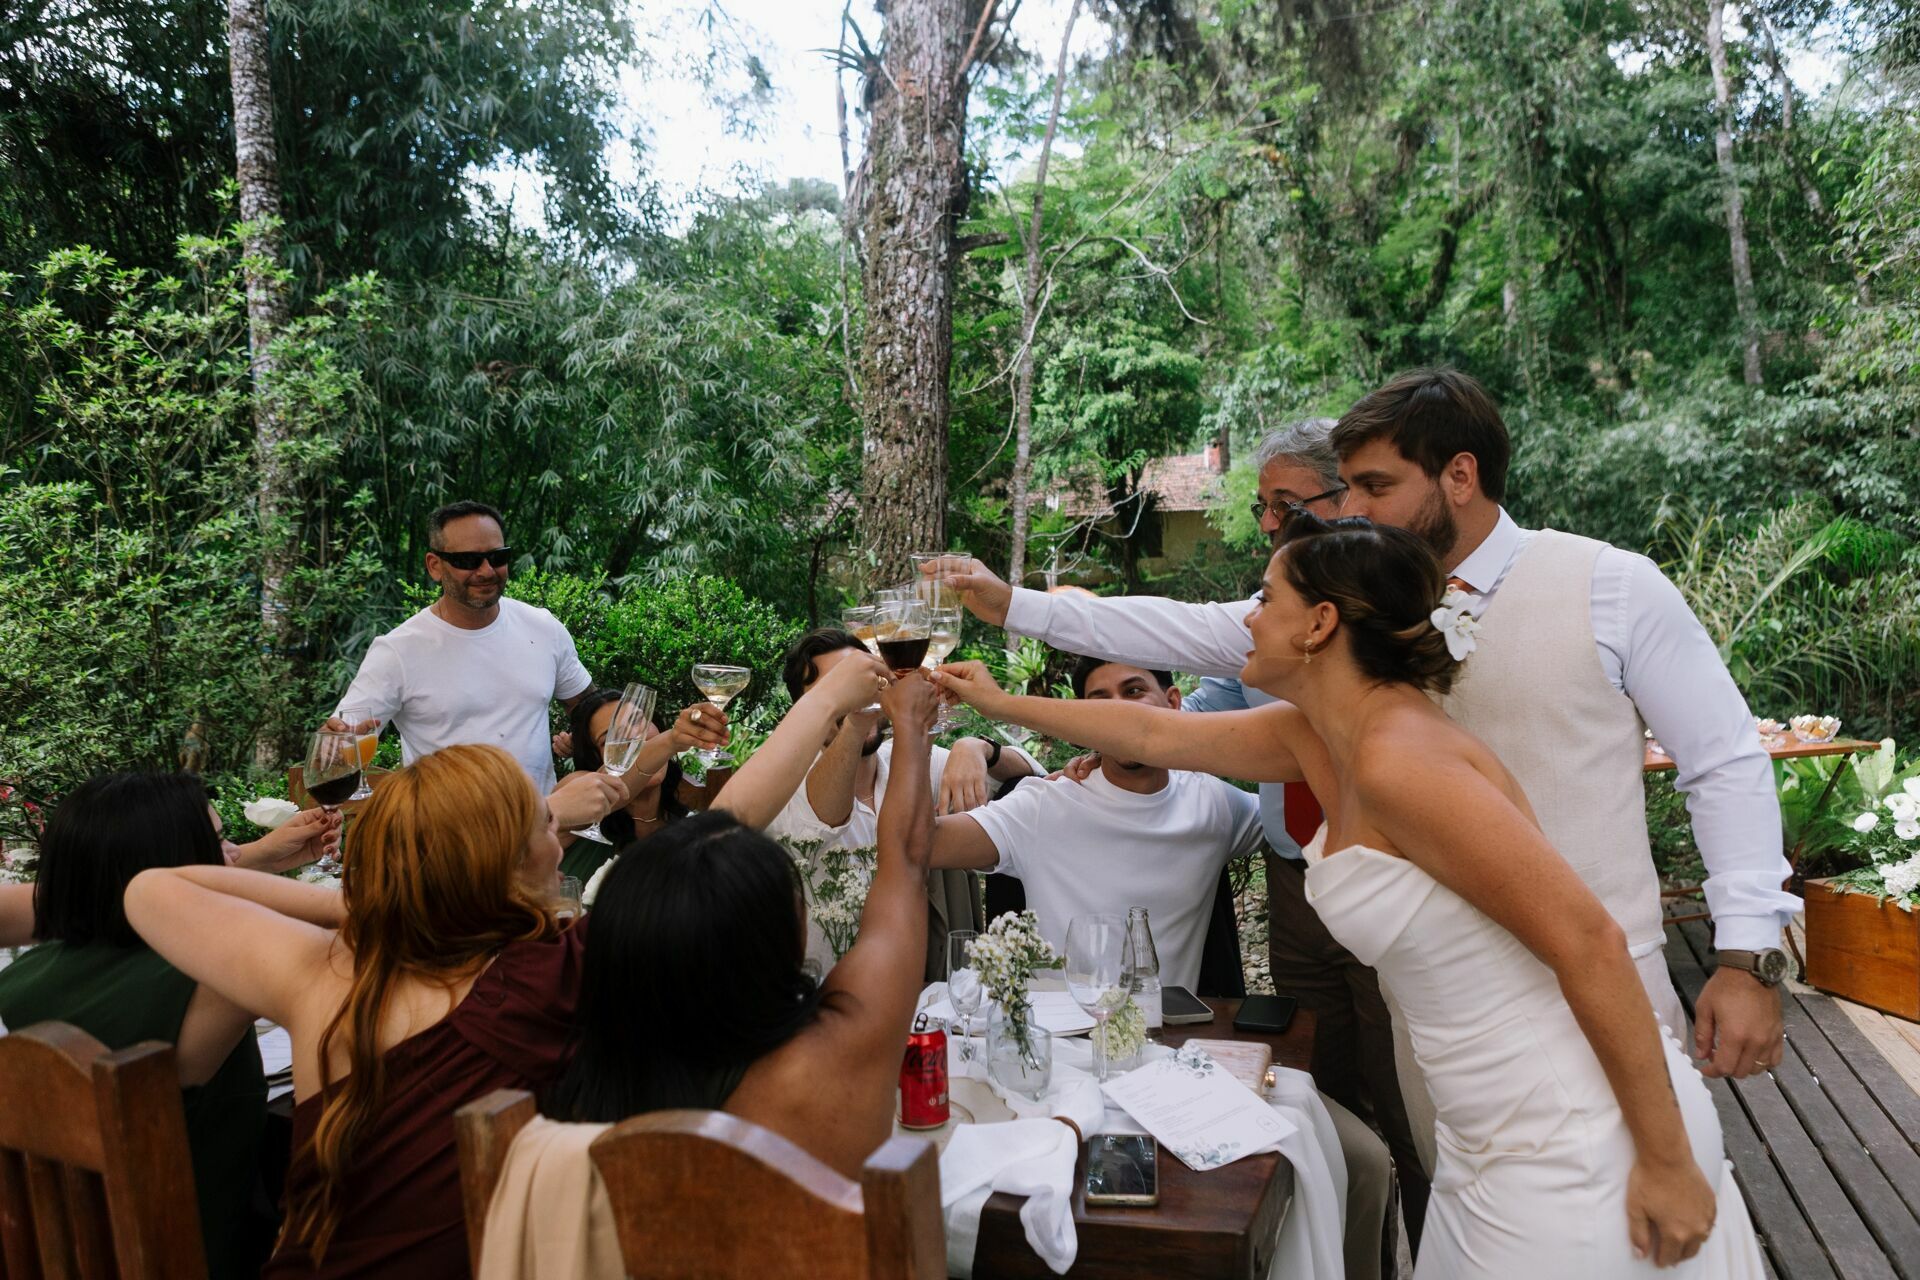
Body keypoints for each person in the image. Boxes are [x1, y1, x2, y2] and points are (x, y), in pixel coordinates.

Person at [933, 513, 1768, 1275]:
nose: (1248, 616)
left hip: (1569, 1122)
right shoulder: (1320, 734)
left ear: (1320, 624)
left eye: (1264, 597)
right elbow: (1153, 732)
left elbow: (1591, 943)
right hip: (1483, 1132)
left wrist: (1665, 1161)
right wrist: (1000, 704)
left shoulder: (1403, 761)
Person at [935, 373, 1799, 1081]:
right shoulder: (1344, 610)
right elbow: (1173, 643)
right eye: (1347, 486)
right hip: (1436, 1005)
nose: (1349, 507)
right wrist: (1012, 609)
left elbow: (1722, 763)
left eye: (1374, 487)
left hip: (1596, 987)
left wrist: (1748, 955)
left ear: (1458, 477)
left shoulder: (1613, 584)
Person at [124, 743, 586, 1278]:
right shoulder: (559, 967)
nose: (558, 845)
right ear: (513, 856)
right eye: (549, 827)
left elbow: (152, 887)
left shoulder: (324, 971)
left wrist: (376, 904)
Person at [542, 651, 935, 1180]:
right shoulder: (843, 1051)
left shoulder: (586, 1093)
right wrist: (909, 727)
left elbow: (703, 845)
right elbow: (906, 861)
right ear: (777, 939)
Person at [0, 774, 329, 1278]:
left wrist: (253, 862)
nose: (237, 854)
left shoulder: (21, 982)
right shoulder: (211, 979)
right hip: (205, 1259)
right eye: (221, 843)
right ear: (170, 872)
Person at [927, 656, 1264, 991]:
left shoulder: (1214, 804)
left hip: (1165, 1037)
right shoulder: (1047, 805)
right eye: (1100, 702)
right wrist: (920, 731)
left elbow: (1294, 823)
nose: (1118, 713)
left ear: (1173, 701)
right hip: (1059, 1039)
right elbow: (919, 846)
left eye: (1133, 691)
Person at [764, 627, 1044, 976]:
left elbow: (1032, 777)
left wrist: (978, 747)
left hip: (932, 997)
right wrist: (858, 716)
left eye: (864, 682)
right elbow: (826, 818)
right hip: (826, 999)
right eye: (837, 690)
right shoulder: (783, 786)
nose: (856, 698)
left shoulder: (911, 758)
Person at [330, 500, 592, 791]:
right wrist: (337, 743)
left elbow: (586, 706)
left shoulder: (541, 627)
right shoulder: (399, 651)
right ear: (435, 566)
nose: (486, 571)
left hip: (540, 827)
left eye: (497, 557)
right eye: (468, 561)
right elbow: (337, 745)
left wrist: (579, 736)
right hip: (446, 832)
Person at [557, 691, 729, 882]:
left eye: (638, 721)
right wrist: (672, 739)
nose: (635, 740)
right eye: (611, 739)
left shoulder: (689, 828)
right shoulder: (577, 792)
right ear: (595, 759)